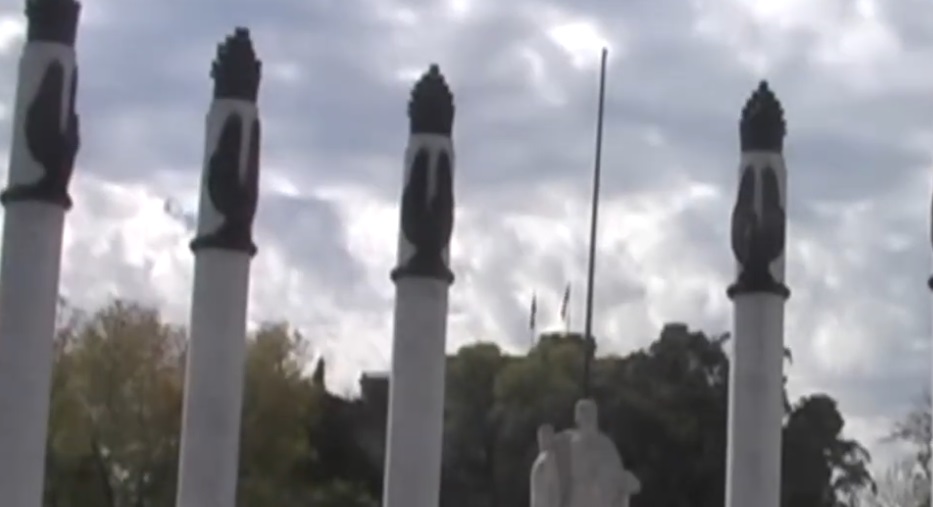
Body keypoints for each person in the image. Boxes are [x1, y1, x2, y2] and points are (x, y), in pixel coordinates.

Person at [530, 424, 562, 507]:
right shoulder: (542, 458)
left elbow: (553, 488)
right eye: (540, 436)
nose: (541, 439)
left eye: (544, 436)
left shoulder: (549, 458)